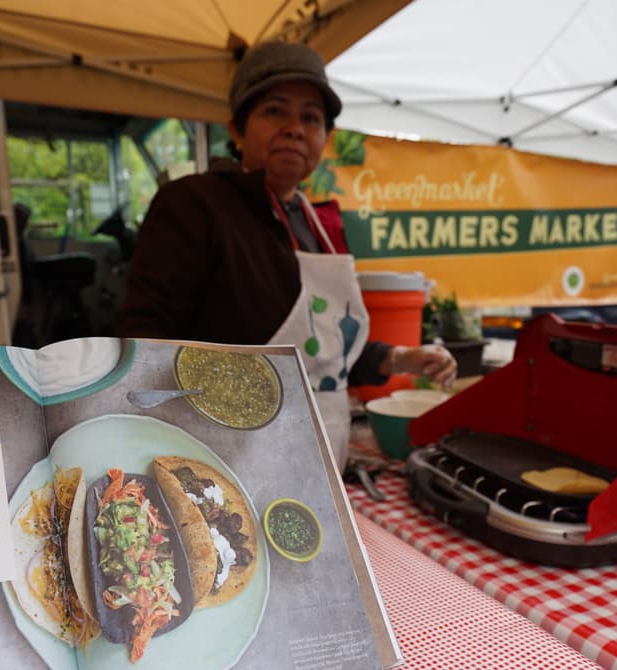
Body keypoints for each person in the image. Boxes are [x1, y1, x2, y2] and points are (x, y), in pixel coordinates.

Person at [116, 40, 456, 468]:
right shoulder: (193, 205)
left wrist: (401, 358)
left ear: (324, 138)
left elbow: (328, 352)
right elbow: (146, 339)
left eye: (310, 117)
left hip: (321, 449)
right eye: (275, 111)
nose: (295, 127)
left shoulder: (322, 226)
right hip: (225, 451)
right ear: (236, 130)